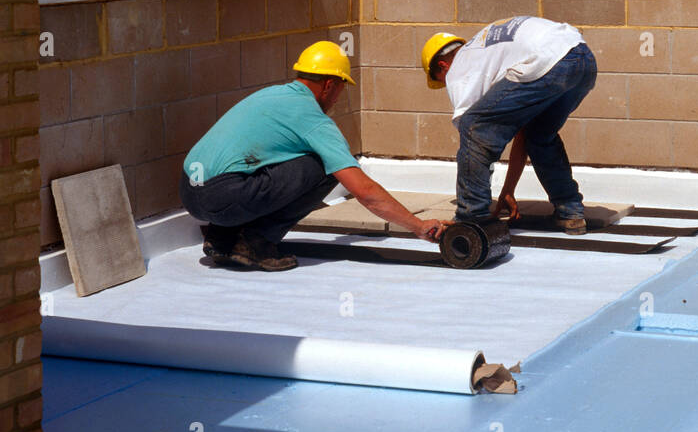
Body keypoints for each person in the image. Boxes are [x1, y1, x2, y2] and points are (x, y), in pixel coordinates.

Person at [179, 41, 449, 270]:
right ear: (329, 85)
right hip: (224, 197)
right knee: (326, 165)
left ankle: (221, 238)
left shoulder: (271, 95)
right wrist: (417, 225)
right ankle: (255, 242)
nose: (339, 97)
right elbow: (364, 192)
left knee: (265, 165)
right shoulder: (312, 118)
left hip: (191, 194)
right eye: (342, 87)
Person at [421, 16, 597, 233]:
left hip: (548, 61)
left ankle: (471, 218)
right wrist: (508, 190)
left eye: (440, 79)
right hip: (582, 59)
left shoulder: (458, 70)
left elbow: (475, 138)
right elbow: (523, 134)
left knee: (472, 125)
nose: (445, 84)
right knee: (540, 134)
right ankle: (570, 213)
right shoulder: (485, 51)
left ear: (442, 65)